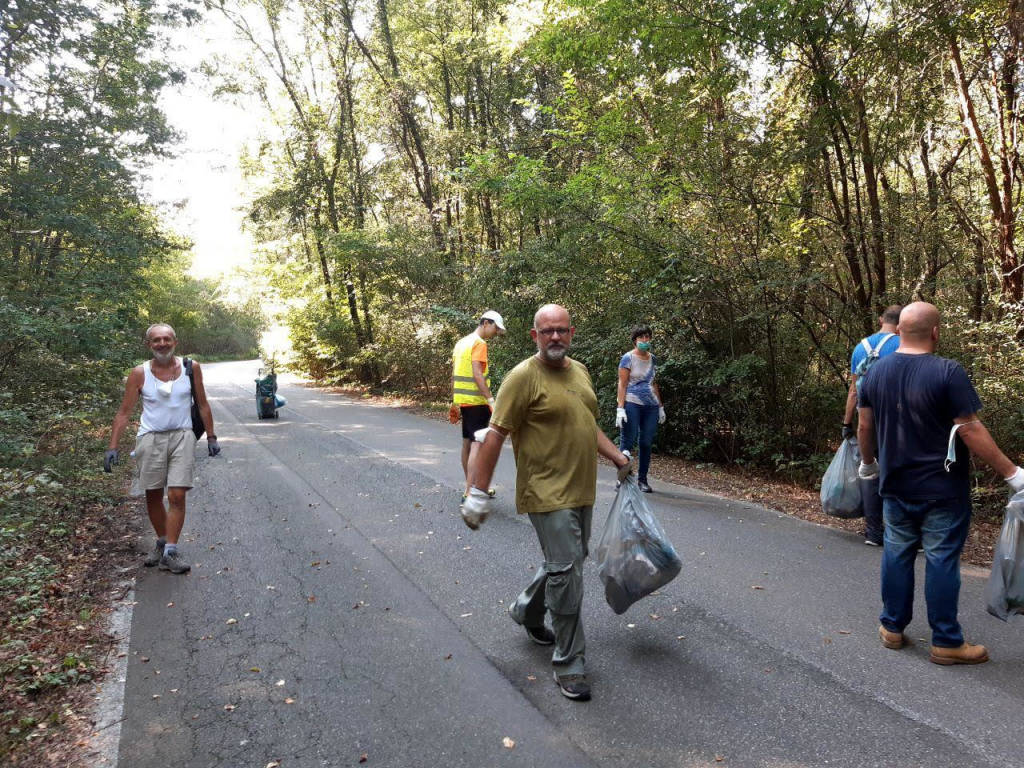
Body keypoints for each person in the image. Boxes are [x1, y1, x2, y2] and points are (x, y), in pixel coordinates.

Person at [461, 304, 632, 702]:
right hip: (544, 491)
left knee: (568, 561)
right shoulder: (522, 378)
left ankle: (527, 609)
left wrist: (619, 458)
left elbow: (587, 426)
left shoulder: (581, 372)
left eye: (561, 330)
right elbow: (496, 435)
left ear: (571, 333)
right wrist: (476, 492)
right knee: (568, 572)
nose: (555, 337)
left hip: (582, 488)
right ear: (534, 336)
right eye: (547, 331)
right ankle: (569, 663)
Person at [857, 302, 1024, 665]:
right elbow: (969, 428)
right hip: (942, 490)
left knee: (896, 553)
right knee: (941, 559)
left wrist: (868, 464)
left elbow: (865, 425)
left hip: (895, 485)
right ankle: (946, 641)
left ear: (898, 330)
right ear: (935, 332)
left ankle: (891, 628)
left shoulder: (875, 372)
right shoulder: (948, 371)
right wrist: (1012, 474)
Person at [104, 324, 220, 574]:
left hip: (182, 437)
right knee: (153, 495)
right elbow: (124, 412)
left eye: (167, 339)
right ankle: (161, 541)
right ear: (149, 345)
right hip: (150, 438)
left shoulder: (191, 368)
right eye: (156, 340)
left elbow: (202, 404)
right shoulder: (139, 373)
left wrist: (211, 436)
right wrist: (112, 446)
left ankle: (171, 551)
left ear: (175, 342)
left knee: (177, 495)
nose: (162, 343)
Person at [842, 305, 902, 545]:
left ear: (880, 320)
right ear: (902, 324)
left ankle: (874, 532)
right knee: (896, 470)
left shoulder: (861, 347)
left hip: (865, 420)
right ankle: (898, 531)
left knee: (869, 468)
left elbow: (853, 390)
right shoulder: (902, 345)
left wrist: (847, 422)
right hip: (895, 419)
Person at [451, 310, 505, 502]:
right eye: (495, 328)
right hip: (477, 402)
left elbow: (454, 373)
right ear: (486, 323)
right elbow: (477, 374)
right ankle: (471, 491)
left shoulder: (461, 342)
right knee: (477, 445)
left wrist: (454, 401)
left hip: (464, 402)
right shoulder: (479, 344)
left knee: (467, 443)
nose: (495, 333)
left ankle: (471, 487)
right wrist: (491, 400)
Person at [615, 324, 665, 493]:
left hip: (651, 406)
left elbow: (654, 383)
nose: (644, 340)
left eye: (647, 337)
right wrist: (620, 408)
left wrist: (660, 406)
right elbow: (622, 384)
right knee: (628, 440)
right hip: (632, 402)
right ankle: (623, 478)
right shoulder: (627, 358)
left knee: (645, 442)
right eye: (641, 337)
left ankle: (642, 479)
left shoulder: (653, 359)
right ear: (634, 341)